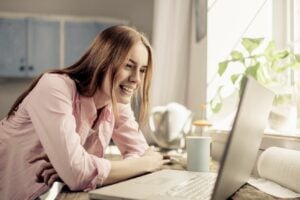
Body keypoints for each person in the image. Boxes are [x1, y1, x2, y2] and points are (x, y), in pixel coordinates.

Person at [0, 25, 168, 200]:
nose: (137, 79)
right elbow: (78, 173)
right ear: (103, 62)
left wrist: (75, 170)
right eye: (128, 66)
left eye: (142, 70)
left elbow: (139, 155)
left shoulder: (115, 101)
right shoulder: (54, 87)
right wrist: (145, 163)